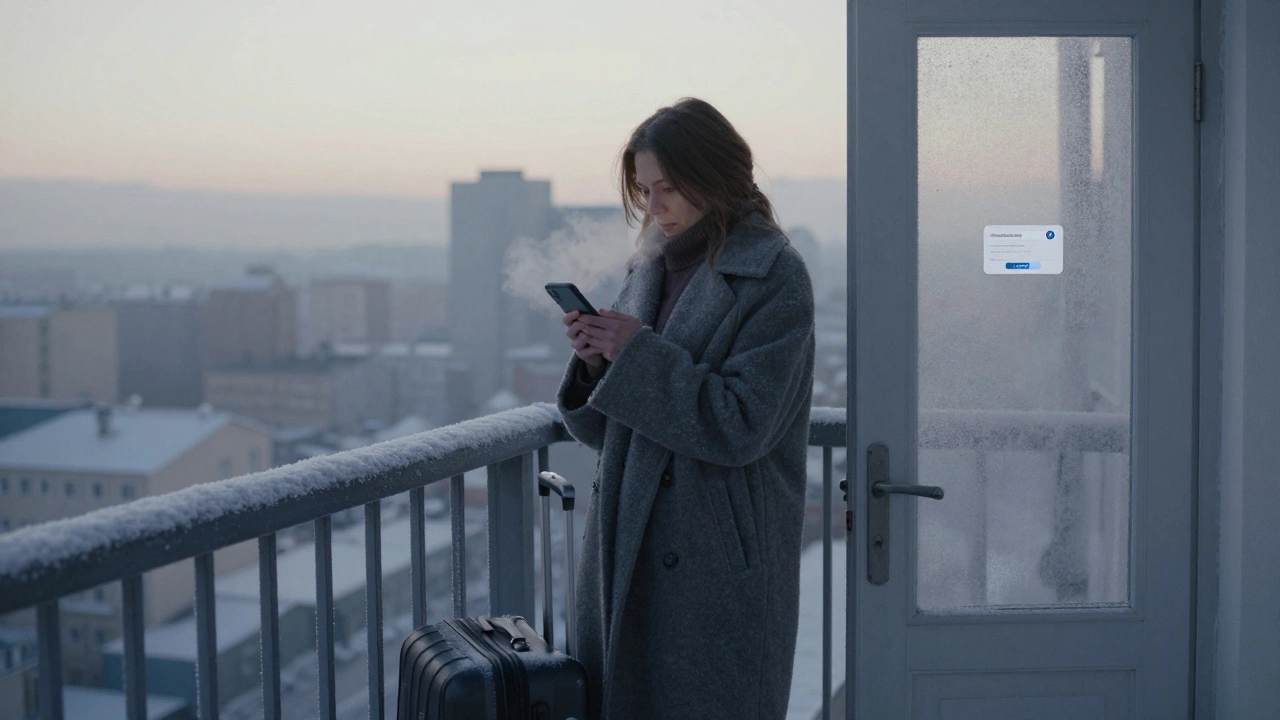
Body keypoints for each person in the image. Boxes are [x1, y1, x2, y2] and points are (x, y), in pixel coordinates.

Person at [556, 97, 816, 720]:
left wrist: (636, 356)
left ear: (716, 174)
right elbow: (614, 429)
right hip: (626, 546)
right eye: (645, 190)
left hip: (714, 567)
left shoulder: (774, 276)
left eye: (668, 188)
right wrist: (599, 364)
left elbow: (741, 425)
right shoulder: (648, 267)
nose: (654, 207)